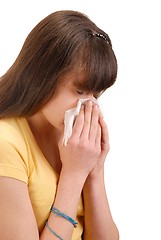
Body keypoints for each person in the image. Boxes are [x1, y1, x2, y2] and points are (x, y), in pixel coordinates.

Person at [0, 10, 119, 240]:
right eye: (80, 90)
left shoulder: (71, 136)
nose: (89, 105)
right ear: (42, 76)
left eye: (95, 93)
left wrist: (94, 171)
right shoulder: (6, 142)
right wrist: (74, 175)